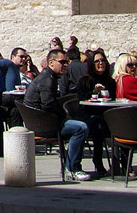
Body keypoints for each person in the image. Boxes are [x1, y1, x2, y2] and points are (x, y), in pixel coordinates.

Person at [23, 49, 92, 181]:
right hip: (44, 124)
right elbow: (48, 105)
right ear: (51, 62)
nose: (66, 65)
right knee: (81, 128)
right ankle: (73, 169)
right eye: (62, 62)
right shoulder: (47, 80)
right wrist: (65, 114)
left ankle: (72, 167)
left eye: (66, 62)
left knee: (80, 123)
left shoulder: (48, 77)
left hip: (41, 120)